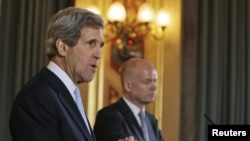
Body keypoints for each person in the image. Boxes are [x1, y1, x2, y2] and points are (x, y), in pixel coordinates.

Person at [9, 7, 135, 141]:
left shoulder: (68, 94)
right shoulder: (36, 98)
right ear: (62, 47)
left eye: (100, 46)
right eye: (91, 43)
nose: (99, 54)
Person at [93, 58, 165, 141]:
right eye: (147, 81)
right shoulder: (109, 117)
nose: (154, 87)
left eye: (155, 81)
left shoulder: (151, 120)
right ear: (128, 85)